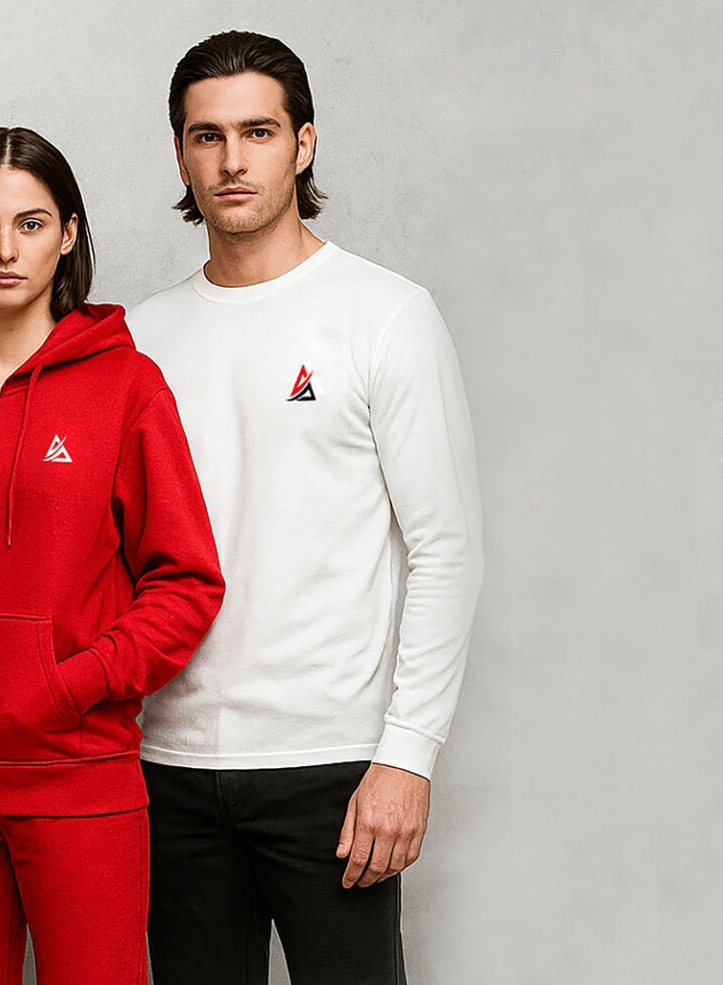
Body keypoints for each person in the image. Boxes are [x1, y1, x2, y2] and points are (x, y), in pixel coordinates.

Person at [128, 31, 483, 985]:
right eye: (207, 136)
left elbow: (446, 548)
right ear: (180, 156)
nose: (232, 160)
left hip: (335, 765)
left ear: (304, 144)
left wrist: (407, 756)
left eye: (258, 132)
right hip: (169, 767)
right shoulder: (140, 337)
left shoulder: (385, 314)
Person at [0, 126, 224, 985]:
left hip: (77, 780)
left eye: (30, 224)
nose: (5, 249)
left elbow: (186, 582)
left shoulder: (127, 386)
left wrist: (70, 685)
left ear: (67, 235)